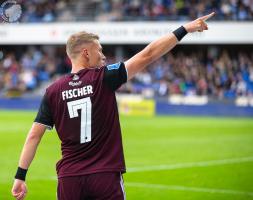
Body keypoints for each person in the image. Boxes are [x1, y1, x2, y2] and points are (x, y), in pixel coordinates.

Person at [11, 12, 215, 200]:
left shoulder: (52, 91)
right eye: (99, 50)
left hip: (69, 179)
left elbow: (33, 136)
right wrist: (185, 29)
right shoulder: (105, 77)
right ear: (85, 53)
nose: (103, 56)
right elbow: (148, 55)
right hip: (105, 177)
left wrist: (20, 176)